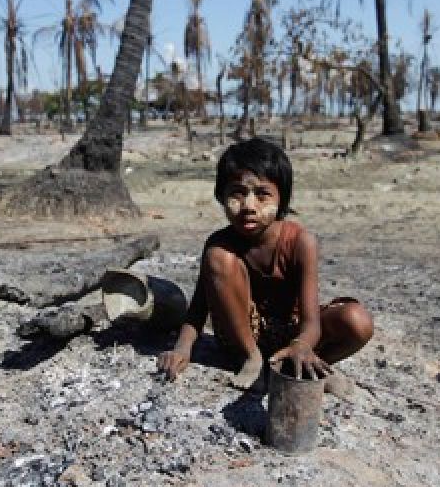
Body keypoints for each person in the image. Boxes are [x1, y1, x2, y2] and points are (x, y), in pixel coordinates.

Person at [157, 137, 374, 392]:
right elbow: (198, 310)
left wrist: (302, 345)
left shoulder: (301, 242)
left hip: (291, 336)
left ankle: (302, 368)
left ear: (281, 199)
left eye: (262, 195)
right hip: (238, 341)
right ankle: (253, 360)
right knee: (219, 255)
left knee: (356, 320)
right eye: (237, 193)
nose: (249, 206)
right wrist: (181, 350)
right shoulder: (219, 244)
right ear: (220, 196)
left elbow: (311, 322)